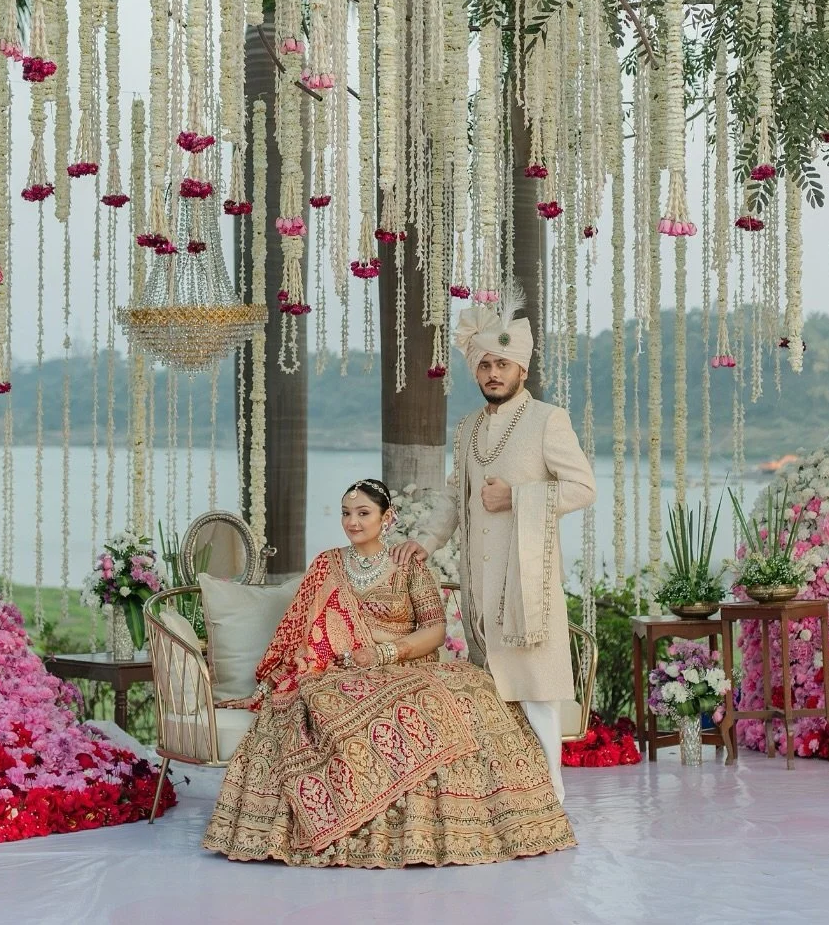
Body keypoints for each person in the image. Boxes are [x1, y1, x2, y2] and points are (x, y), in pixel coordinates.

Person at [202, 478, 575, 867]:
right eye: (347, 513)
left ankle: (461, 822)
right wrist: (326, 655)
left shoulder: (407, 564)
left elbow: (434, 630)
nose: (353, 522)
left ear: (387, 518)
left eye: (364, 513)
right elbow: (304, 629)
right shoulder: (327, 565)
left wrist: (385, 651)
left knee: (471, 689)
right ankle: (362, 830)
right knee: (321, 704)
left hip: (402, 665)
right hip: (338, 671)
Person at [391, 293, 597, 802]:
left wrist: (519, 496)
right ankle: (507, 793)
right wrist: (425, 541)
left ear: (521, 370)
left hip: (527, 582)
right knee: (493, 691)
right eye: (484, 364)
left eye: (502, 363)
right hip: (480, 581)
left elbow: (584, 488)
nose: (492, 373)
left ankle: (552, 794)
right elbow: (451, 495)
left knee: (536, 691)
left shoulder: (548, 420)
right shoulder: (468, 429)